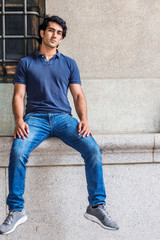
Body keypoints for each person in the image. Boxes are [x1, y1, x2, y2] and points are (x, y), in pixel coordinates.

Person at [0, 15, 119, 235]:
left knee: (92, 148)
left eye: (59, 33)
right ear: (42, 33)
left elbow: (78, 94)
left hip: (63, 118)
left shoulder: (69, 63)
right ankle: (16, 210)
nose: (55, 35)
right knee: (18, 151)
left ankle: (96, 206)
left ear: (61, 38)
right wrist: (19, 121)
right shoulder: (26, 63)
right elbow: (18, 96)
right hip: (35, 118)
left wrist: (83, 119)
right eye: (52, 31)